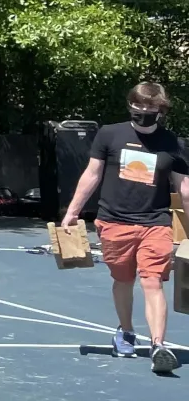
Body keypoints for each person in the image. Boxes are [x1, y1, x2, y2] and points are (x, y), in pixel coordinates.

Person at [61, 82, 186, 374]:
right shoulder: (109, 134)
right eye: (138, 104)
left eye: (150, 106)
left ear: (160, 109)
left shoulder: (173, 143)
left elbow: (184, 188)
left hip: (156, 222)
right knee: (123, 280)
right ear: (130, 105)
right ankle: (126, 332)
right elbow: (92, 174)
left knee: (153, 281)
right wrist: (72, 212)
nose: (143, 110)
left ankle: (158, 345)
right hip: (114, 221)